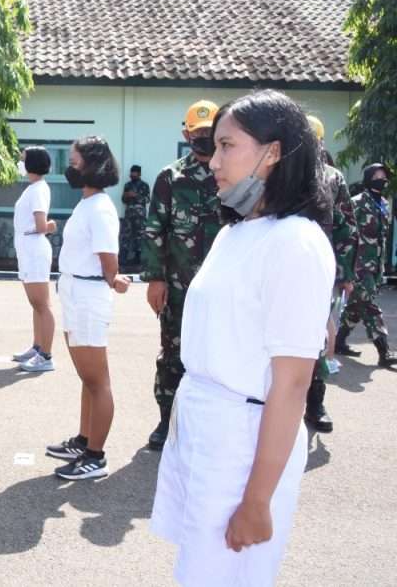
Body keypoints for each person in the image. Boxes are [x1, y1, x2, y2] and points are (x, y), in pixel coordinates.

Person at [151, 89, 334, 586]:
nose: (212, 160)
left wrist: (257, 500)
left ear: (273, 152)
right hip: (207, 425)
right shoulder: (237, 231)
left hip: (244, 440)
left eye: (228, 146)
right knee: (199, 573)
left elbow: (293, 384)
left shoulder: (295, 243)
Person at [141, 100, 224, 450]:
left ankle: (211, 426)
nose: (203, 139)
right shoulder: (170, 177)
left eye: (210, 133)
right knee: (173, 355)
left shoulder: (235, 175)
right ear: (186, 134)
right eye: (198, 133)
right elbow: (154, 230)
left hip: (223, 288)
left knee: (219, 357)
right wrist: (156, 279)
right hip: (178, 288)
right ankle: (166, 420)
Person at [46, 136, 130, 480]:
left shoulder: (101, 208)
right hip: (75, 291)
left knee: (98, 381)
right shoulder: (88, 202)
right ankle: (84, 440)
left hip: (89, 296)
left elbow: (109, 261)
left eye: (75, 161)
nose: (70, 166)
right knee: (87, 378)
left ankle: (96, 456)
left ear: (92, 164)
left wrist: (116, 279)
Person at [304, 115, 358, 433]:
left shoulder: (333, 178)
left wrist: (346, 273)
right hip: (283, 269)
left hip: (320, 272)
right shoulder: (280, 174)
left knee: (318, 340)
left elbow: (346, 228)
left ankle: (315, 403)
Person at [335, 163, 397, 367]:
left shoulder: (384, 205)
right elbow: (346, 232)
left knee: (356, 305)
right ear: (369, 177)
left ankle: (338, 341)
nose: (382, 179)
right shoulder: (357, 202)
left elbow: (382, 238)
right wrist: (345, 266)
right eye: (378, 175)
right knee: (369, 305)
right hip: (358, 264)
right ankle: (384, 350)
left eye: (384, 176)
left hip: (374, 265)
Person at [10, 146, 58, 372]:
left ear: (32, 163)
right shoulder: (33, 188)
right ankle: (37, 347)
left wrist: (49, 226)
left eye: (23, 159)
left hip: (35, 251)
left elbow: (41, 225)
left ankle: (46, 356)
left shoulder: (39, 189)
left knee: (42, 304)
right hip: (28, 250)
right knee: (35, 304)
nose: (20, 162)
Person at [120, 164, 150, 268]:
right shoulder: (127, 185)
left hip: (140, 217)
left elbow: (147, 199)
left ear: (139, 174)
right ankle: (123, 261)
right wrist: (126, 195)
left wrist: (136, 195)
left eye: (134, 172)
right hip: (129, 215)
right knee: (125, 237)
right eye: (131, 172)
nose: (132, 174)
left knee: (140, 238)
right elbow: (123, 200)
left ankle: (139, 262)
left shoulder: (144, 185)